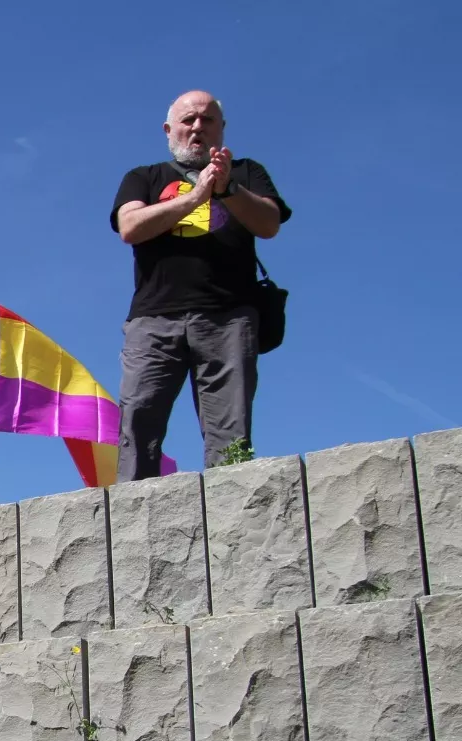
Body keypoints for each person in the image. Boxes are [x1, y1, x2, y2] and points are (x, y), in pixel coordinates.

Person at [111, 89, 292, 480]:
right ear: (168, 130)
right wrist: (196, 196)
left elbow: (269, 224)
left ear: (221, 128)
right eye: (188, 120)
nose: (197, 127)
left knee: (231, 432)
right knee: (138, 422)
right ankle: (131, 508)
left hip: (229, 317)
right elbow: (130, 226)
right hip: (153, 320)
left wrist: (227, 188)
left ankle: (231, 504)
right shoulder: (144, 177)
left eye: (207, 120)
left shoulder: (246, 172)